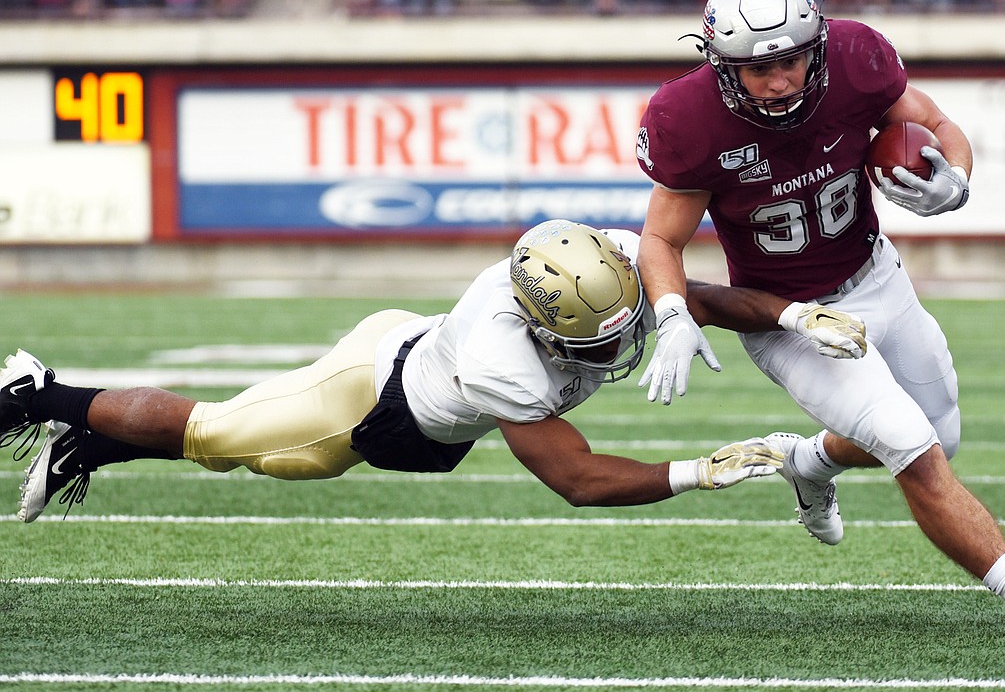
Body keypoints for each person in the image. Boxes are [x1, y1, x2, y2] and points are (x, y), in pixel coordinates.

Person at [631, 0, 1005, 637]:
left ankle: (806, 461)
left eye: (791, 61)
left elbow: (936, 124)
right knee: (911, 443)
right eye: (754, 69)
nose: (776, 82)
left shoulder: (857, 59)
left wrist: (959, 179)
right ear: (718, 63)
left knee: (942, 433)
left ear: (817, 46)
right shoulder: (689, 118)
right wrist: (675, 311)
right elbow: (660, 238)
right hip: (788, 319)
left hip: (876, 276)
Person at [0, 220, 784, 525]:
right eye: (595, 342)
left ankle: (89, 444)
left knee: (278, 463)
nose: (618, 350)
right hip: (370, 395)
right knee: (216, 434)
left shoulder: (594, 260)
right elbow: (576, 477)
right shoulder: (501, 360)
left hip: (419, 379)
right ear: (544, 323)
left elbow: (690, 283)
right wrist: (696, 471)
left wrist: (788, 315)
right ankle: (41, 392)